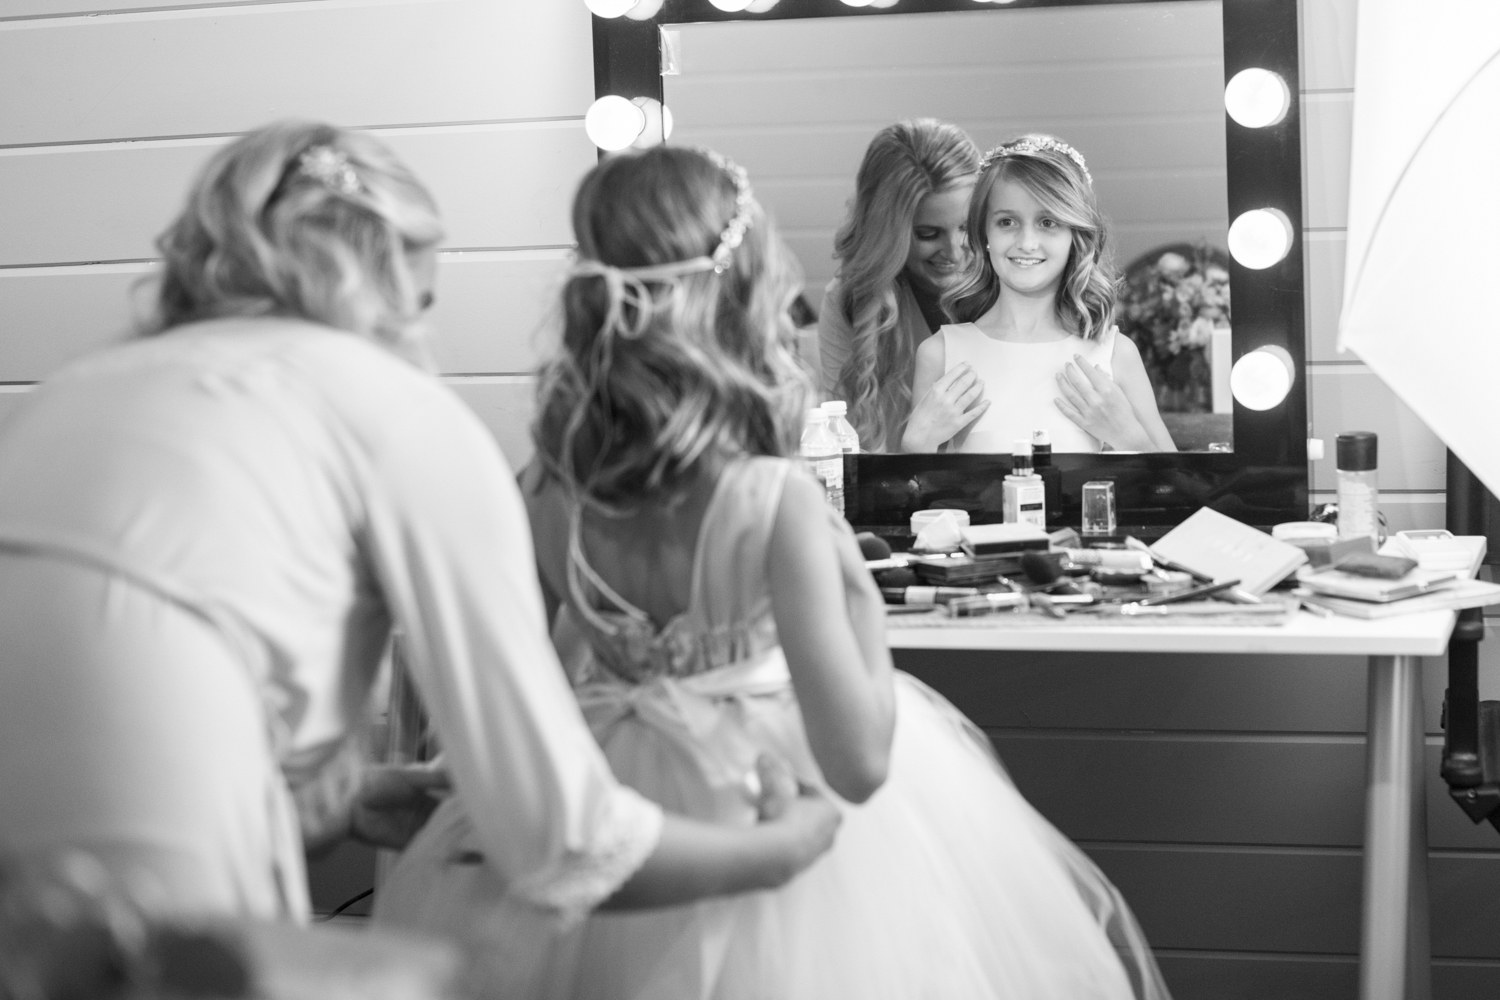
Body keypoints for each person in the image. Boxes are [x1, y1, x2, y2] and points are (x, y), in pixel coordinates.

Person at [377, 144, 1172, 999]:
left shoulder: (544, 489)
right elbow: (861, 761)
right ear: (744, 299)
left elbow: (510, 687)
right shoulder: (777, 503)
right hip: (766, 817)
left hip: (609, 809)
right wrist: (855, 601)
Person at [0, 121, 840, 924]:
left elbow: (105, 657)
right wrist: (784, 852)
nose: (423, 337)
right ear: (377, 278)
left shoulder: (72, 391)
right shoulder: (397, 412)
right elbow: (567, 845)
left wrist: (346, 798)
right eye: (421, 299)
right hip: (157, 905)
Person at [918, 135, 1178, 453]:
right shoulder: (940, 354)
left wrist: (1128, 436)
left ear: (1076, 235)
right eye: (1007, 221)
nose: (1027, 242)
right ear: (983, 232)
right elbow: (917, 496)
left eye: (1047, 222)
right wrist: (917, 444)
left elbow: (1178, 491)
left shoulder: (1115, 354)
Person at [819, 119, 991, 452]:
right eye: (928, 234)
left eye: (966, 227)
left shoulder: (1012, 283)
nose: (955, 253)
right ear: (887, 233)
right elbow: (857, 460)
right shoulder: (849, 301)